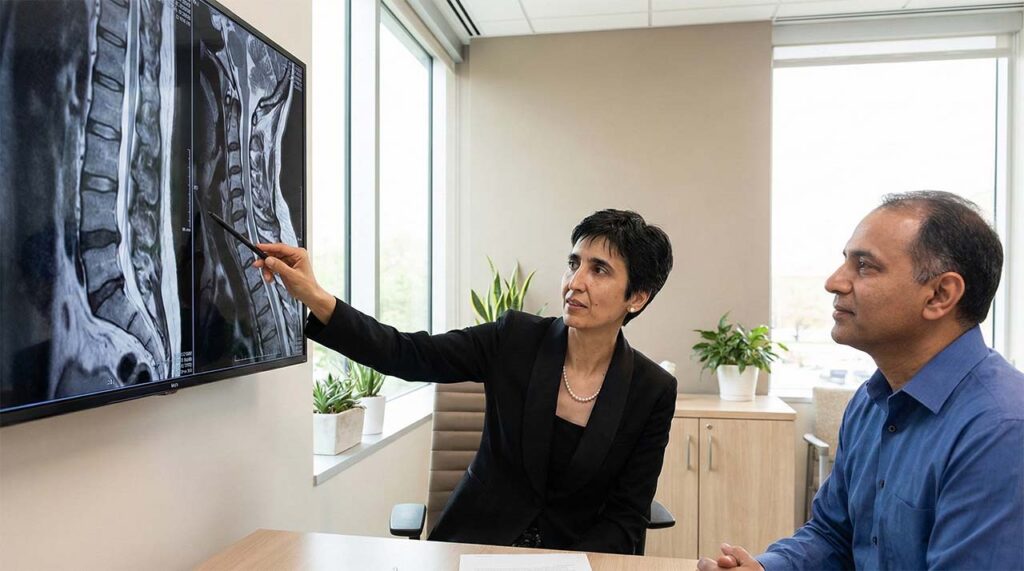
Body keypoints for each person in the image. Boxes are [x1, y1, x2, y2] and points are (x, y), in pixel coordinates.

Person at [255, 209, 677, 554]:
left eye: (599, 269)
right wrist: (316, 296)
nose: (575, 282)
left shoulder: (651, 390)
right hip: (473, 549)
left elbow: (626, 517)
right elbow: (407, 353)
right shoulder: (514, 339)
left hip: (573, 561)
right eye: (573, 263)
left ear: (637, 297)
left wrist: (565, 566)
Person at [698, 191, 1024, 571]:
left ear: (939, 295)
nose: (834, 282)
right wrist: (767, 568)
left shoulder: (1000, 430)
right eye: (845, 262)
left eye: (865, 266)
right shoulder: (872, 401)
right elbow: (832, 536)